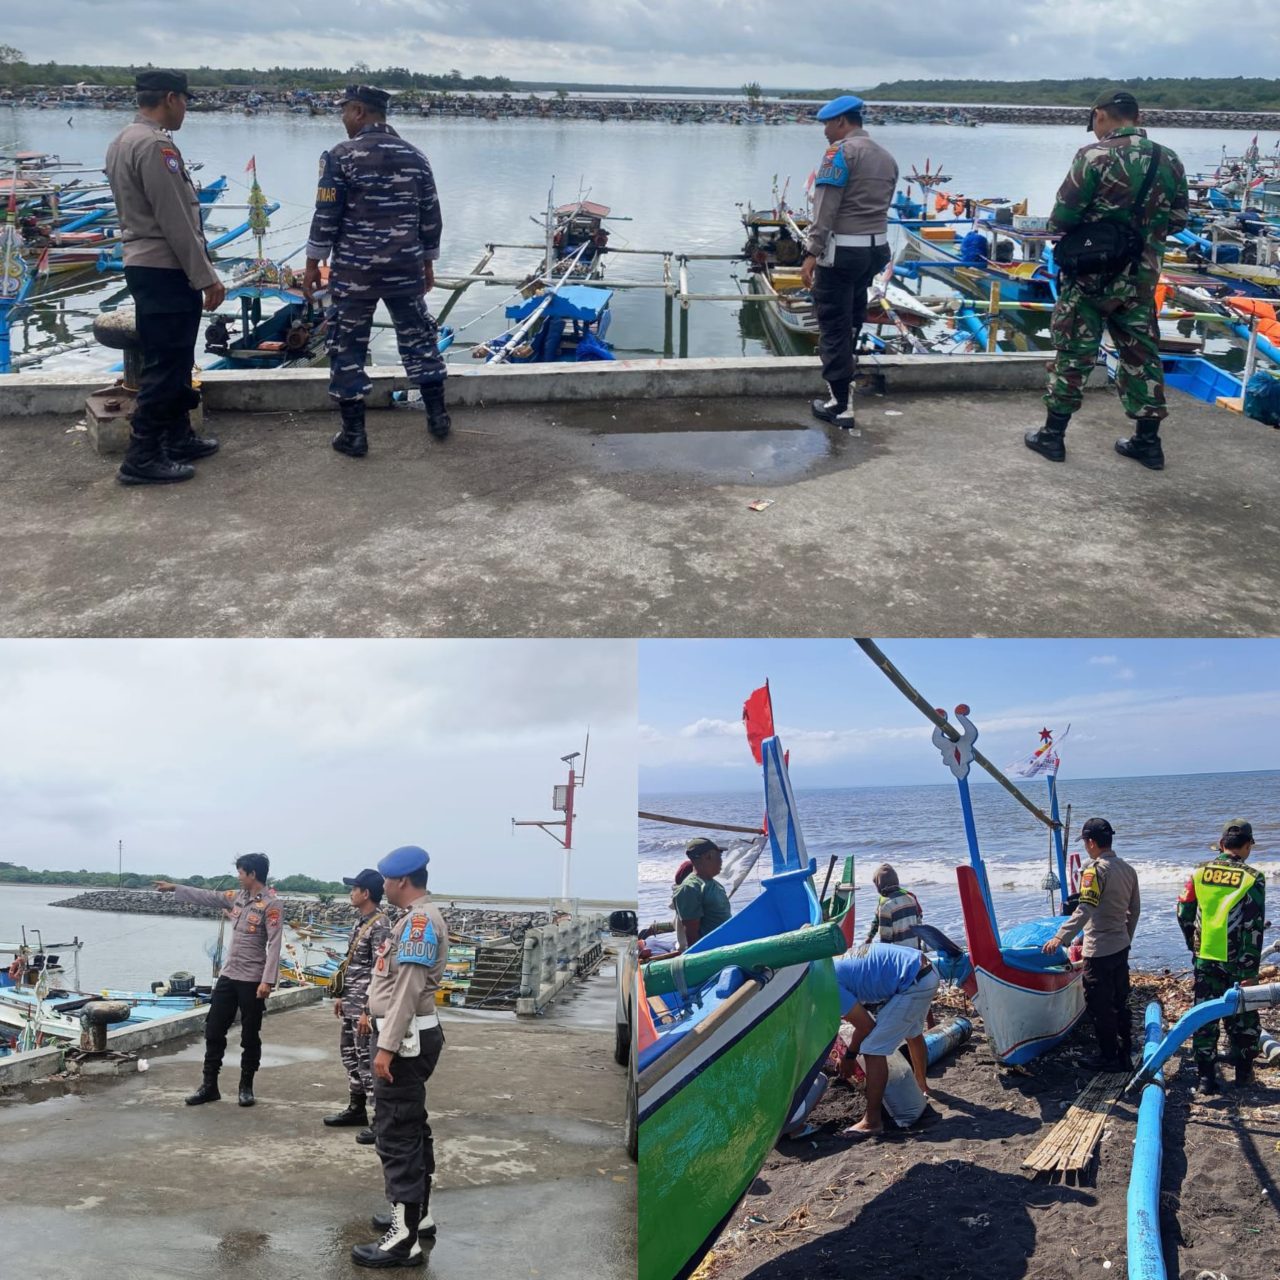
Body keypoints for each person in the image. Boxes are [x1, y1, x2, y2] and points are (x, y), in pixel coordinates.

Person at [1024, 89, 1189, 470]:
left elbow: (1062, 218)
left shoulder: (1093, 156)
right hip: (1142, 277)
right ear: (1137, 115)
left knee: (1075, 351)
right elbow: (1179, 219)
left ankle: (1052, 436)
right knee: (1140, 353)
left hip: (1091, 275)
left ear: (1100, 115)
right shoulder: (1170, 159)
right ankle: (1147, 443)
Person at [302, 85, 449, 459]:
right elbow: (430, 217)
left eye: (344, 112)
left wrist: (311, 265)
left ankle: (354, 436)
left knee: (347, 347)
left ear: (358, 111)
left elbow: (326, 215)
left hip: (356, 272)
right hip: (406, 267)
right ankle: (438, 417)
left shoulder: (341, 156)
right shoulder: (416, 156)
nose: (343, 119)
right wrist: (427, 262)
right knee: (419, 339)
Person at [104, 69, 224, 486]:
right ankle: (142, 456)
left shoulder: (122, 140)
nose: (186, 110)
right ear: (171, 98)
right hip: (165, 266)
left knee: (174, 357)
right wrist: (206, 277)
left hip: (144, 263)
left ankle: (176, 436)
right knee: (166, 364)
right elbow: (176, 221)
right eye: (185, 101)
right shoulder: (156, 145)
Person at [352, 845, 449, 1269]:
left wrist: (385, 1046)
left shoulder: (419, 922)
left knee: (396, 1133)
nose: (384, 886)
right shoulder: (416, 919)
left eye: (387, 881)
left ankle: (403, 1239)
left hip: (405, 1041)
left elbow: (409, 988)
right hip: (406, 1033)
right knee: (411, 1125)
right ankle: (416, 1216)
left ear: (401, 882)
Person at [800, 94, 899, 428]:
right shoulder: (886, 158)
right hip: (875, 250)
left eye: (827, 124)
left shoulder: (839, 153)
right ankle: (846, 388)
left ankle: (839, 405)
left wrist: (811, 252)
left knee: (832, 325)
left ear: (842, 121)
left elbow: (825, 207)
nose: (825, 131)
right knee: (854, 318)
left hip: (841, 252)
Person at [154, 852, 283, 1106]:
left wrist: (267, 981)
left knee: (250, 1035)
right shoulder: (237, 898)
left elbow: (275, 943)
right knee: (213, 1030)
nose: (238, 877)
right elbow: (208, 896)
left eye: (241, 873)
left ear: (252, 874)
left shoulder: (271, 904)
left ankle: (246, 1087)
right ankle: (209, 1085)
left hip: (252, 979)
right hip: (229, 975)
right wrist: (175, 888)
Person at [1042, 817, 1141, 1071]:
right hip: (1120, 946)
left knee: (1099, 1005)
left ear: (1092, 843)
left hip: (1098, 949)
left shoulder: (1095, 871)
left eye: (1086, 842)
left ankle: (1109, 1057)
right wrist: (1125, 937)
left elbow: (1085, 908)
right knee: (1120, 1000)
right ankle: (1125, 1048)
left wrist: (1059, 937)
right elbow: (1135, 910)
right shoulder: (1128, 869)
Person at [1176, 820, 1266, 1093]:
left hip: (1206, 956)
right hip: (1238, 961)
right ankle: (1243, 1074)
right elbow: (1253, 927)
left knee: (1205, 1015)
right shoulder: (1252, 877)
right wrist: (1250, 971)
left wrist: (1194, 946)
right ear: (1247, 845)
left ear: (1222, 844)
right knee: (1243, 1016)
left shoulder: (1199, 873)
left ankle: (1205, 1078)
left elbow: (1183, 913)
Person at [832, 943, 940, 1136]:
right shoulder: (833, 964)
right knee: (913, 1032)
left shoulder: (829, 985)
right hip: (925, 970)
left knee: (873, 1048)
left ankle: (872, 1121)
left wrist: (849, 1055)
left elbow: (866, 1025)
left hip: (912, 983)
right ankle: (922, 1085)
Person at [324, 867, 394, 1145]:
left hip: (365, 1007)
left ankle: (381, 1120)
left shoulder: (381, 926)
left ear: (366, 893)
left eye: (354, 889)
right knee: (350, 1058)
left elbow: (381, 972)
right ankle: (356, 1108)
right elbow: (354, 964)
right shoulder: (360, 922)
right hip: (351, 1003)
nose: (350, 893)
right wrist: (341, 994)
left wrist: (367, 1010)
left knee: (367, 1062)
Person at [669, 838, 733, 949]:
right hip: (713, 950)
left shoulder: (716, 885)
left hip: (727, 944)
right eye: (719, 855)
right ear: (708, 856)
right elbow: (691, 935)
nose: (721, 860)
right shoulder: (690, 888)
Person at [863, 863, 925, 950]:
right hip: (915, 950)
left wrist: (869, 939)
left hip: (898, 954)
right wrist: (870, 937)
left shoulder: (886, 906)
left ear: (879, 884)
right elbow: (919, 925)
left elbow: (885, 939)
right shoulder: (911, 898)